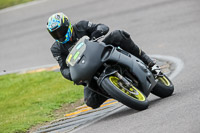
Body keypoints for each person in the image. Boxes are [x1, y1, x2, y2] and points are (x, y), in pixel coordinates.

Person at [47, 12, 160, 109]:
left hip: (101, 52)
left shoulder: (81, 26)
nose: (59, 35)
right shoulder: (56, 49)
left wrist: (96, 33)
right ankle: (115, 90)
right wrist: (71, 74)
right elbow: (63, 69)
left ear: (67, 25)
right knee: (90, 101)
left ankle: (149, 62)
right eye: (55, 34)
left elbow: (102, 26)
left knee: (118, 35)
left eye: (61, 31)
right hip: (88, 70)